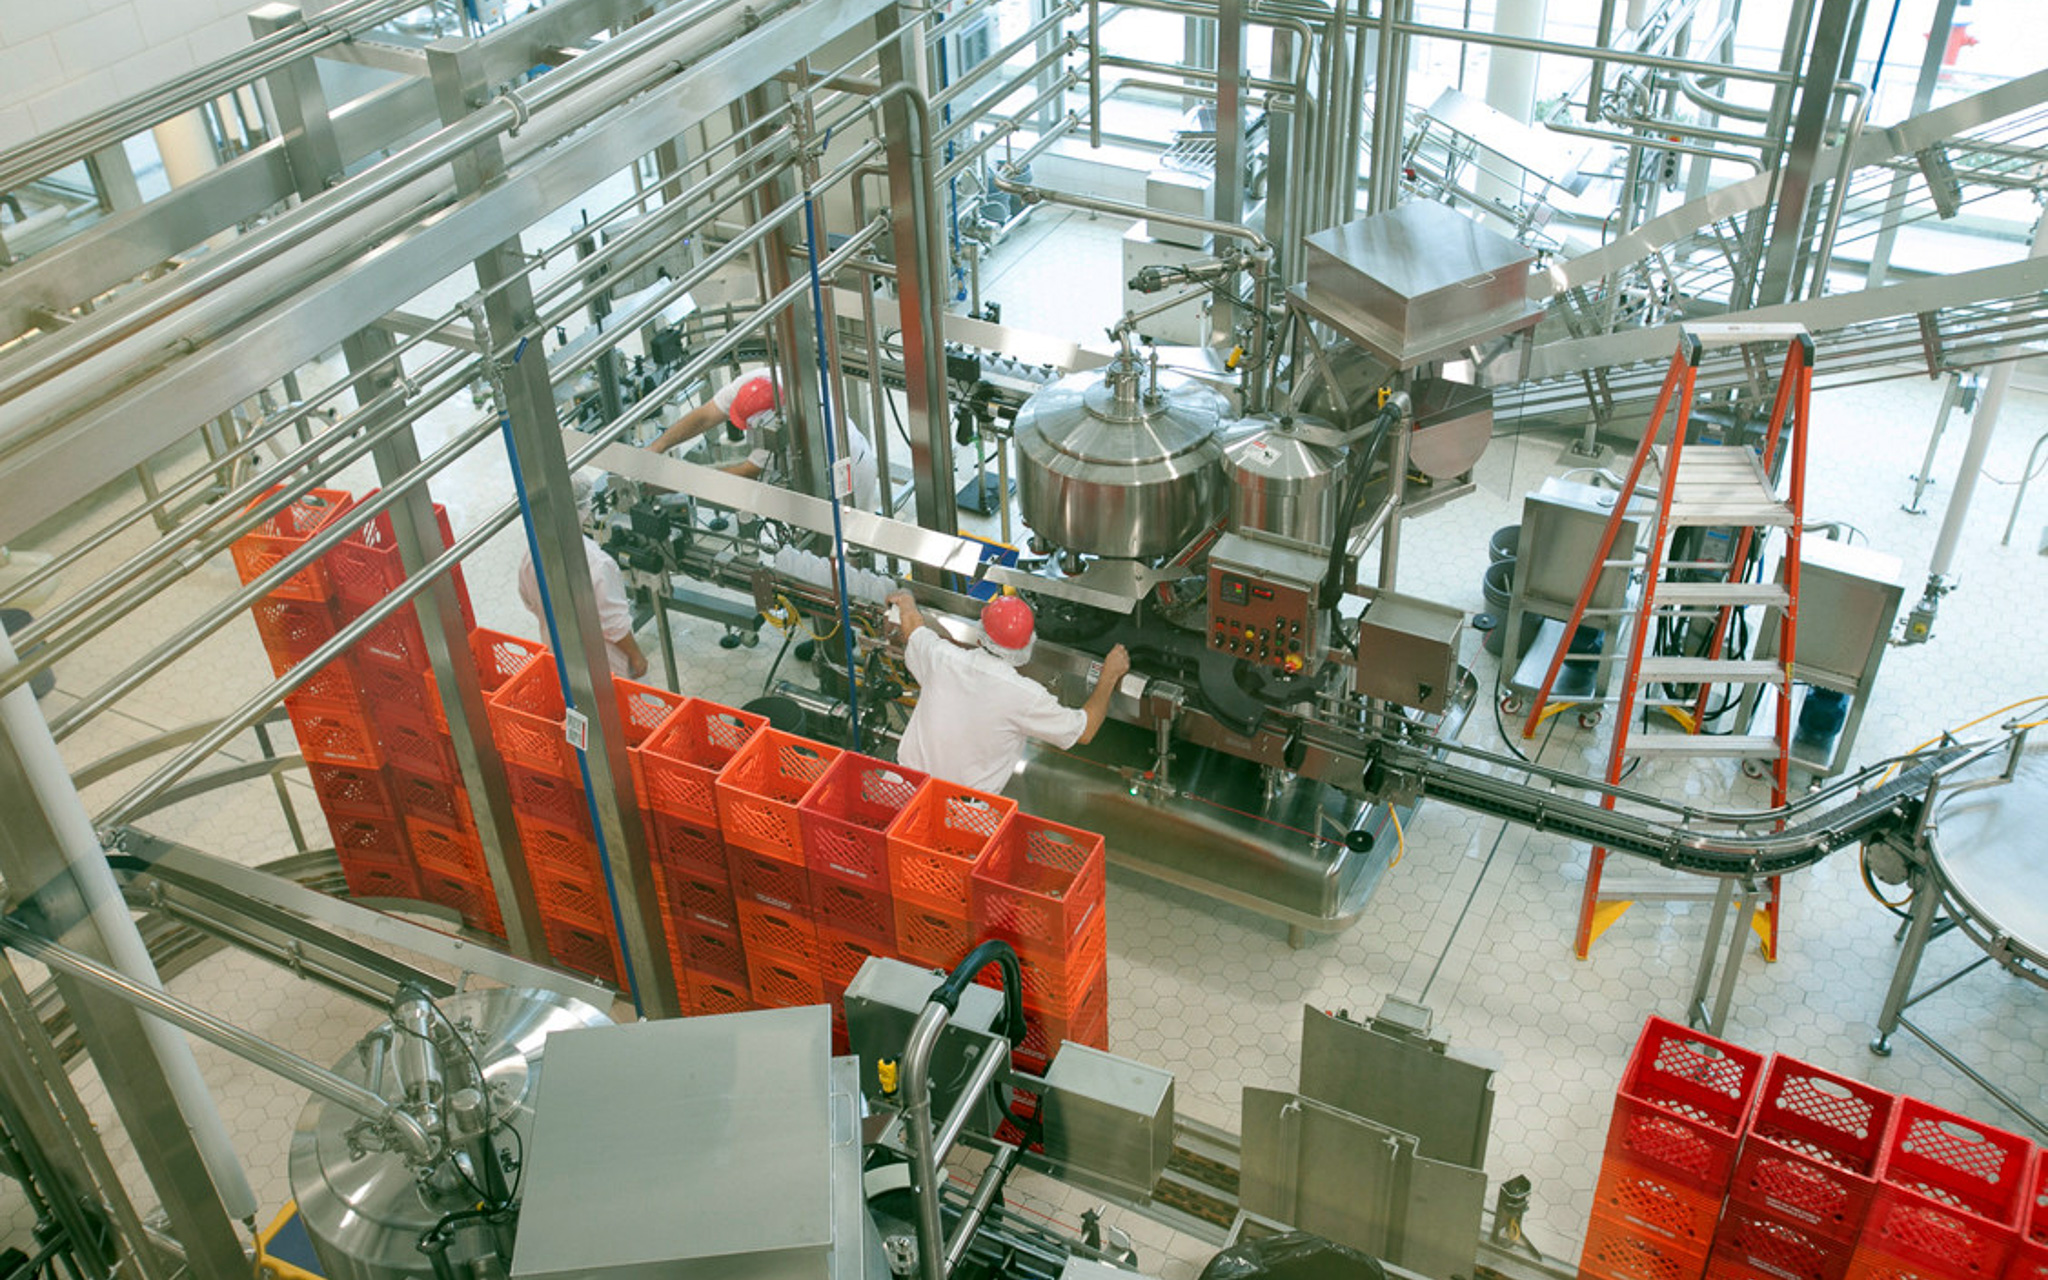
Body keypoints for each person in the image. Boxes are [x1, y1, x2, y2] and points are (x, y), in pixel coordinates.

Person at [887, 589, 1130, 795]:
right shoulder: (1026, 696)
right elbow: (1083, 731)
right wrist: (1109, 675)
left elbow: (913, 628)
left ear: (980, 636)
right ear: (1027, 647)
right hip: (958, 816)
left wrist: (907, 598)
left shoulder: (940, 657)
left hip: (898, 792)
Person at [646, 371, 881, 511]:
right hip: (816, 463)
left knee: (844, 543)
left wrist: (681, 481)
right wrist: (658, 445)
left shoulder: (793, 426)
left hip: (848, 471)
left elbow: (747, 472)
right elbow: (705, 416)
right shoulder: (754, 384)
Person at [517, 470, 649, 679]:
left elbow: (530, 602)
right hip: (606, 664)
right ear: (578, 508)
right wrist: (636, 655)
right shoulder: (595, 562)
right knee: (622, 708)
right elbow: (614, 624)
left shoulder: (530, 554)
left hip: (559, 655)